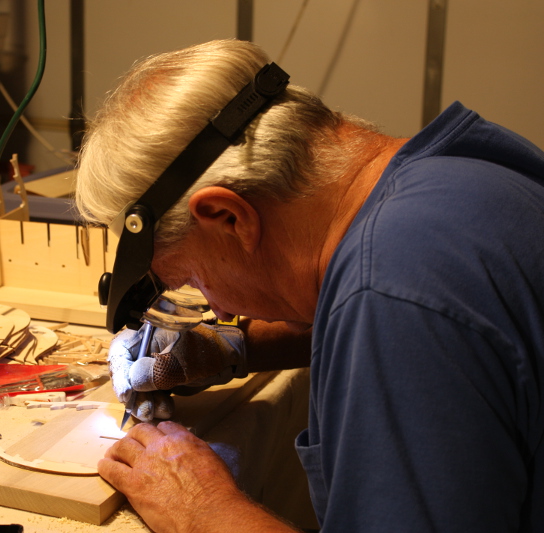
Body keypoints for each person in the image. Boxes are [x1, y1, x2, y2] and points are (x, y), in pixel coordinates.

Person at [74, 39, 544, 533]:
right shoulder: (456, 173)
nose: (213, 305)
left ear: (229, 218)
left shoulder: (389, 295)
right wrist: (233, 348)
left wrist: (202, 510)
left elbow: (400, 314)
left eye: (192, 280)